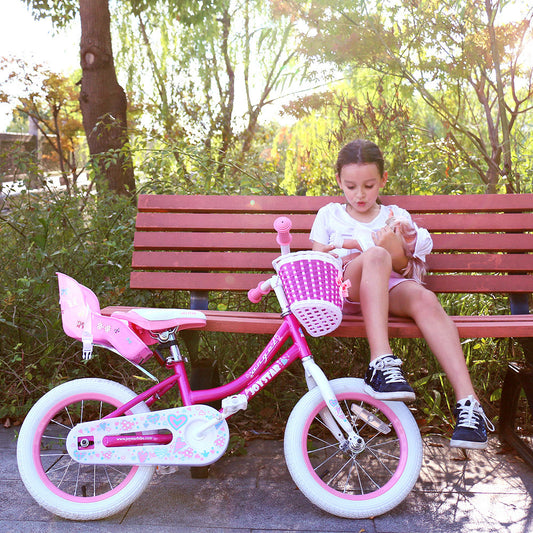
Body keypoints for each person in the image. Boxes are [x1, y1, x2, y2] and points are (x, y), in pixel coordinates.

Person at [310, 139, 494, 449]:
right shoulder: (329, 214)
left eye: (369, 185)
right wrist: (363, 250)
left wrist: (391, 246)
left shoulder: (395, 215)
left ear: (382, 180)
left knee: (425, 298)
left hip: (387, 291)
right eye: (351, 186)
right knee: (377, 257)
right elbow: (319, 263)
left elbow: (402, 265)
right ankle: (380, 361)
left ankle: (469, 406)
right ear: (339, 181)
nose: (360, 194)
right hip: (347, 290)